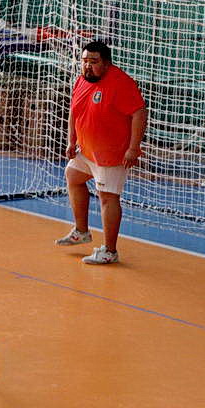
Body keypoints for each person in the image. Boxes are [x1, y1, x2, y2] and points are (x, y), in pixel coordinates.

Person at [54, 41, 146, 264]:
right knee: (73, 177)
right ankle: (81, 231)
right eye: (84, 61)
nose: (87, 66)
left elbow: (139, 112)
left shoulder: (120, 83)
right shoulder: (81, 80)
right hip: (86, 150)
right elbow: (74, 111)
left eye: (93, 62)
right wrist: (71, 141)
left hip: (111, 153)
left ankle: (110, 251)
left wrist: (133, 148)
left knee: (107, 198)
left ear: (106, 64)